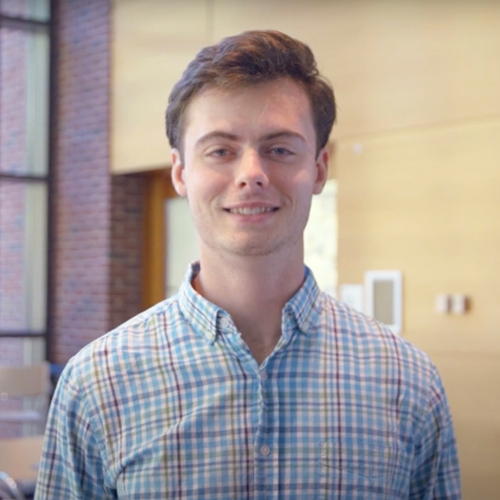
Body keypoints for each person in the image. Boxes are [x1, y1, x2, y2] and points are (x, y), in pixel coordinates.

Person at [35, 30, 461, 499]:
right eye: (221, 150)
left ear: (318, 169)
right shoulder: (97, 384)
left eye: (279, 149)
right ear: (181, 172)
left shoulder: (408, 382)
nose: (251, 173)